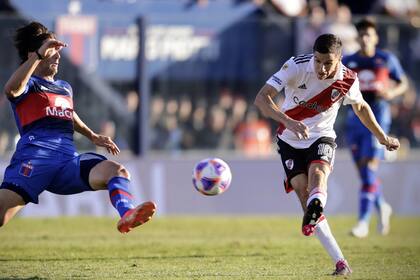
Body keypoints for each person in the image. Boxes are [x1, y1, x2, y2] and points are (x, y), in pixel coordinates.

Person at [254, 33, 400, 275]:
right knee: (303, 191)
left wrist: (382, 137)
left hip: (322, 137)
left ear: (339, 59)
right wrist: (288, 121)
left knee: (318, 175)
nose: (322, 68)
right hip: (289, 139)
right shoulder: (296, 66)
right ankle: (340, 261)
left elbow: (361, 107)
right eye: (318, 61)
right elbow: (261, 98)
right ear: (314, 55)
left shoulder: (347, 79)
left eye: (328, 63)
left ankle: (317, 206)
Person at [0, 22, 156, 233]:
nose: (58, 56)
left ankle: (127, 213)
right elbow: (11, 90)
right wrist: (37, 56)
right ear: (34, 54)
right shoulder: (29, 84)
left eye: (58, 51)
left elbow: (68, 113)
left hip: (67, 163)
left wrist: (92, 136)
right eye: (52, 51)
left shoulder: (64, 88)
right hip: (34, 161)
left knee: (116, 171)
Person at [342, 18, 408, 238]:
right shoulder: (349, 61)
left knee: (370, 168)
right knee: (363, 172)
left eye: (368, 34)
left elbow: (403, 83)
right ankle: (382, 205)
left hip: (378, 117)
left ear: (375, 37)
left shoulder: (386, 59)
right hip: (354, 120)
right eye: (361, 34)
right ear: (357, 37)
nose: (364, 38)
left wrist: (392, 93)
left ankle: (362, 222)